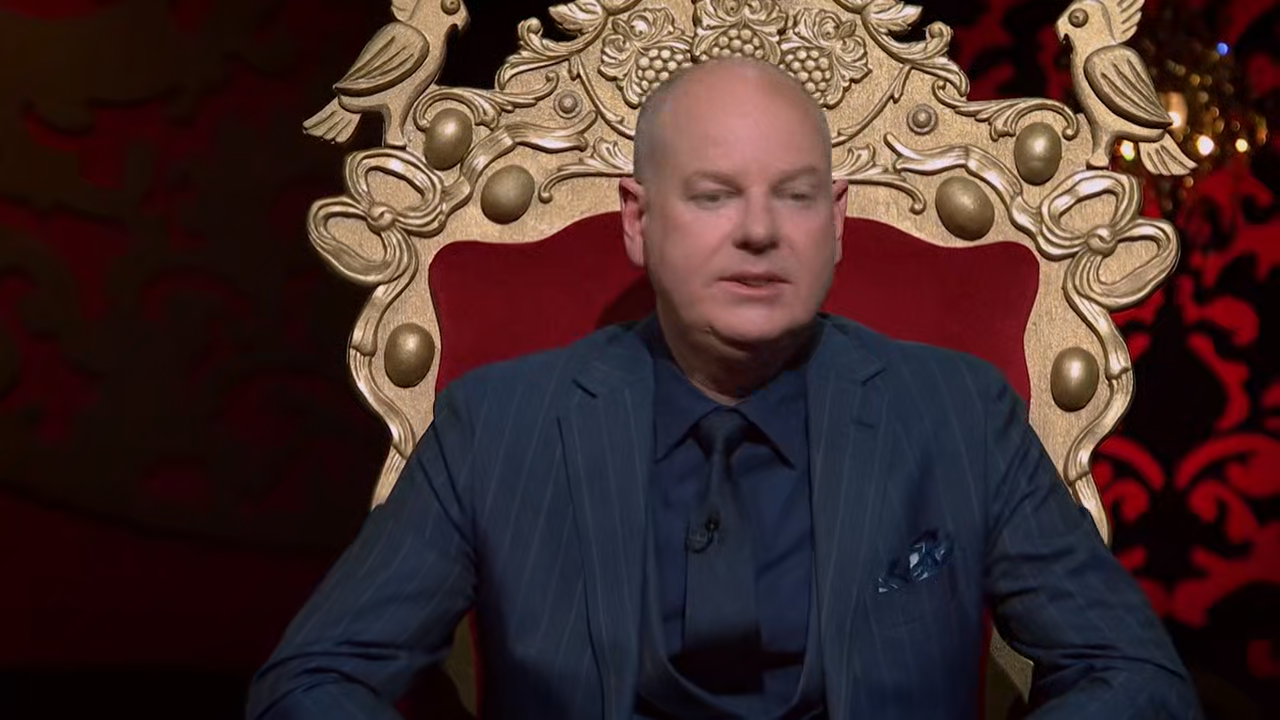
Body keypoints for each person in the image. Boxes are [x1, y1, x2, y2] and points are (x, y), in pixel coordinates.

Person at [247, 57, 1200, 719]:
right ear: (638, 221)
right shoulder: (497, 425)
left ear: (835, 223)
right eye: (712, 195)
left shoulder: (959, 412)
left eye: (795, 195)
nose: (759, 231)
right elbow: (312, 681)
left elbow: (1133, 676)